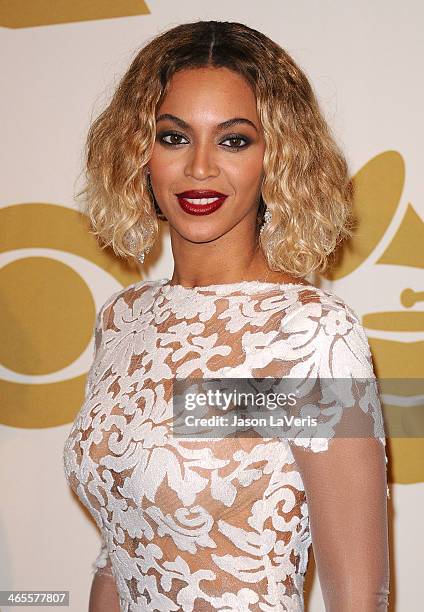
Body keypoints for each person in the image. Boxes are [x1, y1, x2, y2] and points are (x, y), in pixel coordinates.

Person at [63, 20, 390, 611]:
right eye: (173, 137)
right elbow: (121, 556)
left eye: (235, 140)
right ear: (138, 151)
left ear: (277, 157)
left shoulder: (311, 334)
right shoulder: (122, 322)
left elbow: (359, 595)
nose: (200, 169)